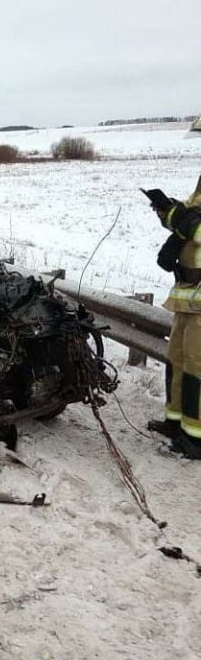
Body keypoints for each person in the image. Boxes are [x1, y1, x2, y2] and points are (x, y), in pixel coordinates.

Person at [148, 175, 201, 459]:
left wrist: (183, 219)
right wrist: (166, 211)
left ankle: (196, 438)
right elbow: (185, 221)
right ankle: (175, 423)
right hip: (187, 298)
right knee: (177, 361)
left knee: (197, 369)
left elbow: (194, 227)